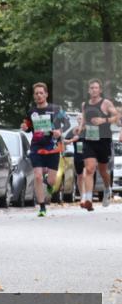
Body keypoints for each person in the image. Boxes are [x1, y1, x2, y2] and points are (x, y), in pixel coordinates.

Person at [20, 83, 70, 217]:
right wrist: (25, 127)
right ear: (34, 96)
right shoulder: (32, 112)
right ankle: (42, 207)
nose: (39, 95)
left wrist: (59, 131)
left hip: (53, 147)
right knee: (37, 176)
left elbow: (67, 123)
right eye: (36, 93)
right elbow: (28, 126)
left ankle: (48, 182)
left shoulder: (56, 109)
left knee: (52, 181)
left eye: (41, 93)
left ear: (46, 94)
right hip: (37, 146)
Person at [77, 78, 119, 209]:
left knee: (103, 171)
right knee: (89, 168)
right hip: (89, 140)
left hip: (104, 141)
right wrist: (80, 129)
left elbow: (117, 116)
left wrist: (104, 120)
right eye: (91, 88)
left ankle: (107, 189)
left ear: (100, 90)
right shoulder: (85, 105)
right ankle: (88, 199)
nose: (94, 90)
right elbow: (83, 120)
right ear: (88, 90)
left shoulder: (106, 103)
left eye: (96, 88)